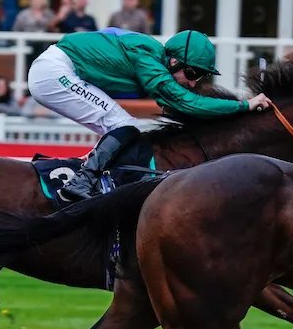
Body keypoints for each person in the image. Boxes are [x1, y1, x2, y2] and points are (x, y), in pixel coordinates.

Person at [28, 28, 273, 200]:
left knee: (123, 127)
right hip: (55, 72)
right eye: (191, 73)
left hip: (57, 69)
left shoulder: (153, 57)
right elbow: (184, 102)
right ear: (174, 61)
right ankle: (81, 182)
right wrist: (244, 106)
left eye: (200, 76)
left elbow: (180, 103)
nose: (193, 82)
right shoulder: (148, 58)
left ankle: (91, 177)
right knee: (123, 125)